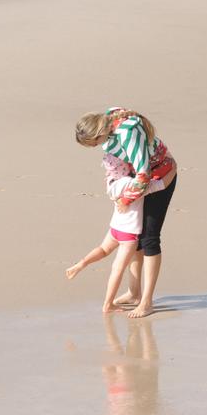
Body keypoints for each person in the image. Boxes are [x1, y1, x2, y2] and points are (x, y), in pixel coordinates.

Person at [74, 107, 177, 318]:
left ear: (99, 133)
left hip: (160, 176)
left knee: (150, 238)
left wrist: (125, 199)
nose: (97, 147)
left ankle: (146, 301)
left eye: (94, 143)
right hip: (137, 181)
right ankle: (133, 292)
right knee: (137, 238)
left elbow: (143, 174)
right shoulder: (108, 117)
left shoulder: (128, 136)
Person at [66, 162, 177, 313]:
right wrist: (173, 169)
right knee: (117, 269)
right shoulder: (135, 185)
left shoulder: (112, 185)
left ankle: (81, 264)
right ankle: (108, 304)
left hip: (114, 229)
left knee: (103, 250)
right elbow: (160, 185)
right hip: (128, 236)